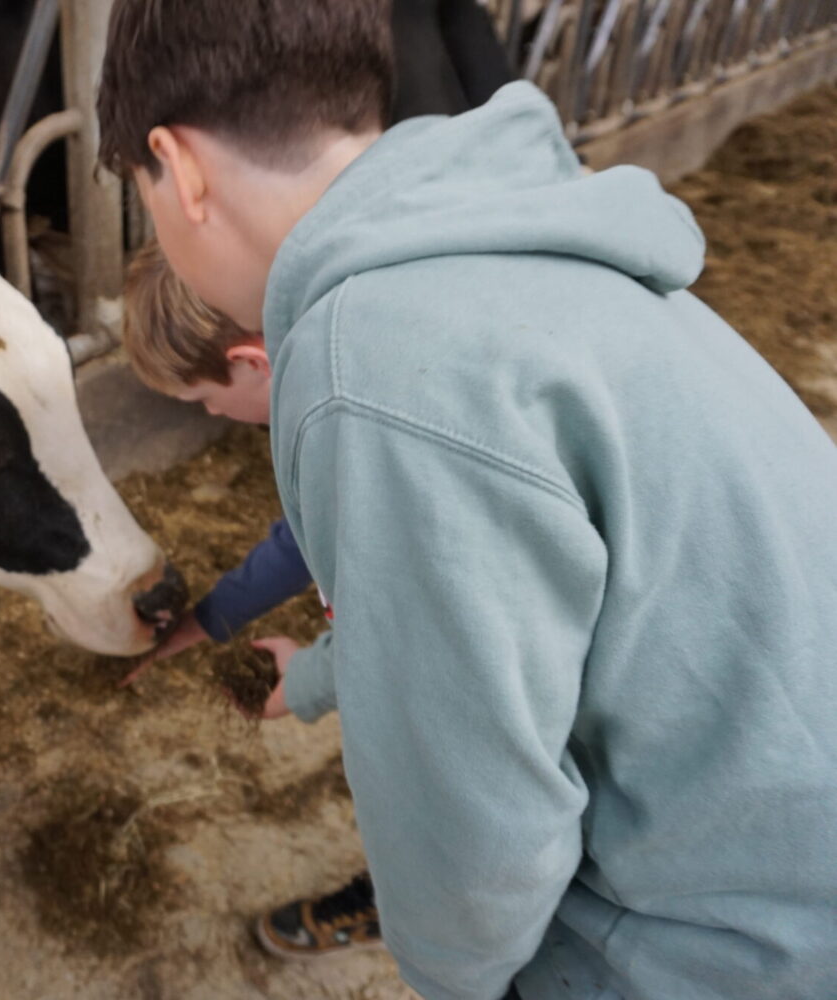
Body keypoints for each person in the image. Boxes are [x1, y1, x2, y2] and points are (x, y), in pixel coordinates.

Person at [96, 2, 837, 999]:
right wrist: (316, 676)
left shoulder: (375, 364)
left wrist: (452, 974)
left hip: (735, 950)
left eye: (144, 200)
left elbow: (478, 840)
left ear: (180, 169)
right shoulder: (510, 250)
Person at [120, 242, 388, 958]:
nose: (213, 413)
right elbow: (303, 537)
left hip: (470, 704)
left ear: (251, 363)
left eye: (205, 399)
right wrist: (209, 621)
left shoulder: (367, 445)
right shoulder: (336, 395)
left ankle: (407, 908)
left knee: (436, 812)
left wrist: (303, 680)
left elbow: (414, 639)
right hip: (435, 678)